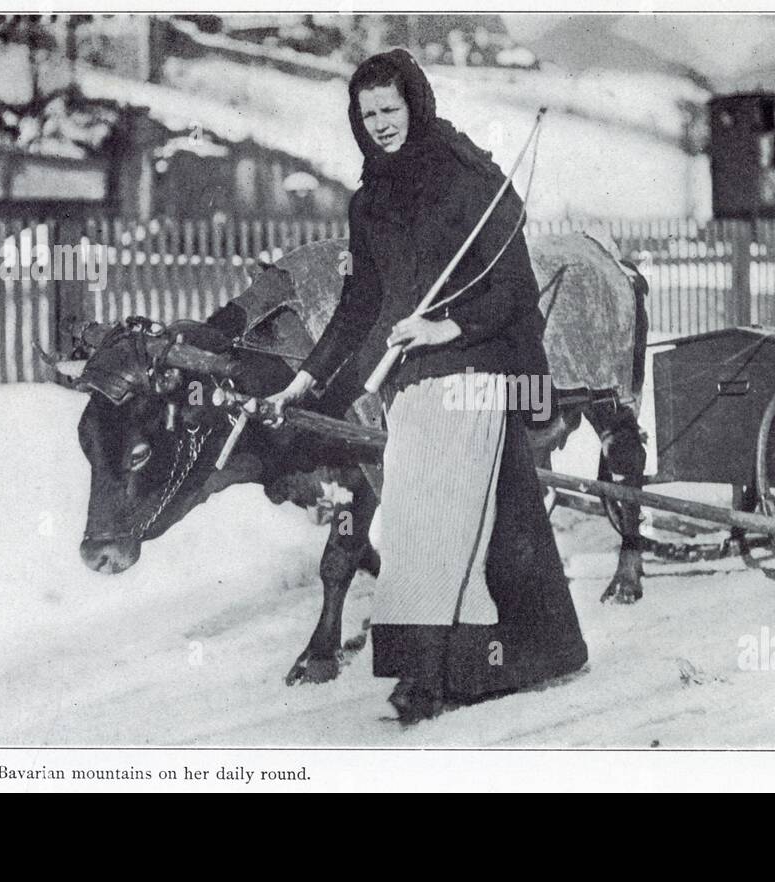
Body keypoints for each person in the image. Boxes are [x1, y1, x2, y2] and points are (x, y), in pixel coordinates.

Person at [266, 49, 587, 724]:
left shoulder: (470, 183)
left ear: (416, 103)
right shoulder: (370, 202)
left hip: (473, 369)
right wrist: (304, 378)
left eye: (391, 108)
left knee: (436, 520)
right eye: (368, 114)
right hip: (407, 384)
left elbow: (516, 291)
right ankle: (471, 664)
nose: (381, 124)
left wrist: (448, 326)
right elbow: (360, 305)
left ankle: (426, 675)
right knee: (414, 517)